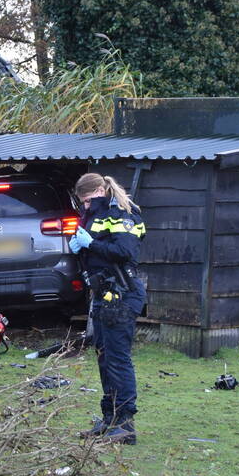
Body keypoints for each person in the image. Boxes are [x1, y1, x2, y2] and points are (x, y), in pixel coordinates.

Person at [68, 172, 146, 445]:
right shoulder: (96, 214)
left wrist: (92, 244)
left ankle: (125, 424)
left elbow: (125, 251)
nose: (86, 206)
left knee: (117, 360)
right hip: (103, 295)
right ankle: (110, 419)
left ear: (101, 190)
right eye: (83, 203)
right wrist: (79, 248)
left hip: (122, 293)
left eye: (89, 200)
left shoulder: (122, 212)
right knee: (104, 358)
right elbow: (97, 254)